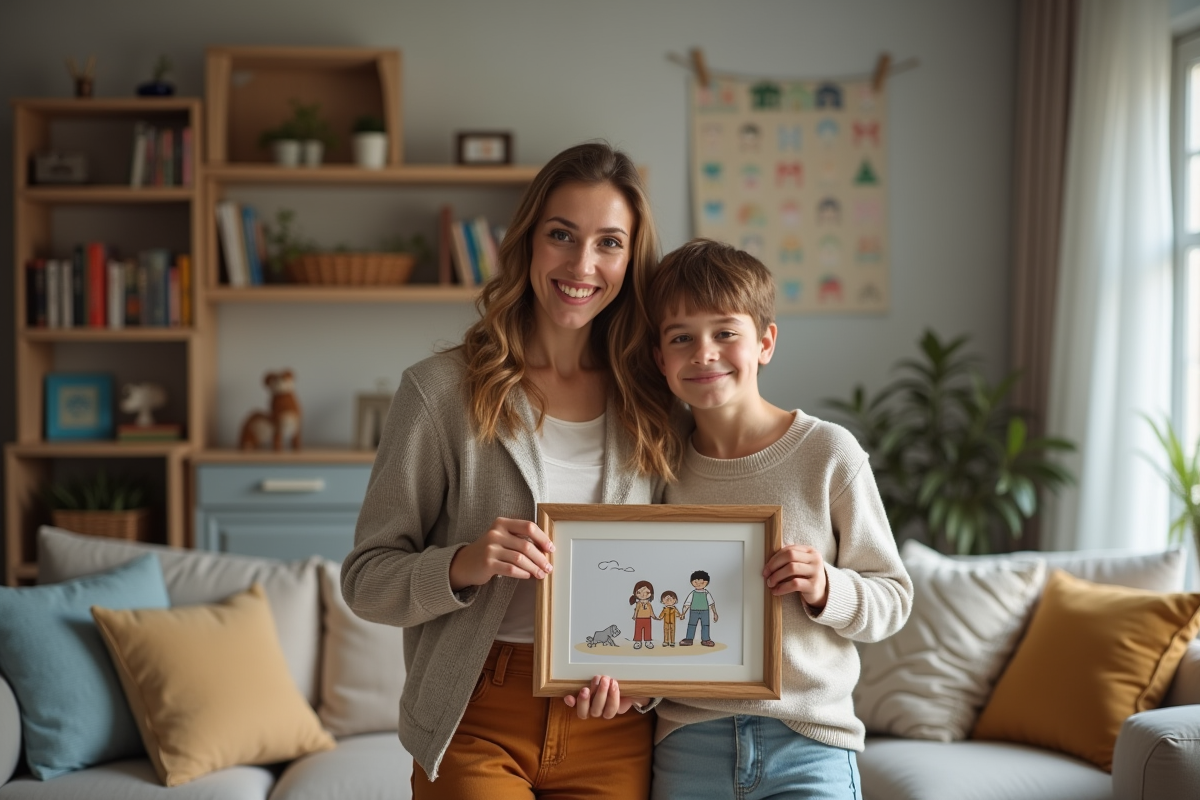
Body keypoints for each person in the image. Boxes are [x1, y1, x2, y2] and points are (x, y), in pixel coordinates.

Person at [341, 142, 679, 799]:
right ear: (526, 243)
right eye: (562, 236)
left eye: (609, 243)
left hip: (610, 725)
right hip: (475, 712)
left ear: (630, 260)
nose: (583, 265)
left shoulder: (656, 400)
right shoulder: (439, 392)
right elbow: (365, 580)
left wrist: (642, 685)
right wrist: (464, 562)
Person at [644, 239, 913, 800]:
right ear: (659, 358)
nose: (704, 353)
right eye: (681, 338)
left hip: (810, 744)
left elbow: (893, 600)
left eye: (725, 333)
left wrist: (826, 588)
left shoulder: (829, 454)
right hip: (687, 745)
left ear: (765, 342)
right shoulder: (655, 466)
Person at [678, 569, 718, 646]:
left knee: (705, 625)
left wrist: (715, 613)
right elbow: (687, 604)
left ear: (706, 582)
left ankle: (706, 640)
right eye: (696, 582)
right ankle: (689, 639)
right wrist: (683, 613)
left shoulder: (706, 593)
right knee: (691, 625)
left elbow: (711, 604)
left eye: (701, 582)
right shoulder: (692, 593)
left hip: (705, 611)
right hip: (693, 611)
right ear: (692, 582)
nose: (698, 584)